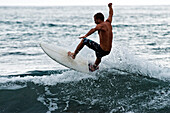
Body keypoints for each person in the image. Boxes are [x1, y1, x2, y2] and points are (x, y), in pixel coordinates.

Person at [68, 3, 113, 72]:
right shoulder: (108, 22)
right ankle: (94, 66)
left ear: (98, 19)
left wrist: (85, 36)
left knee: (84, 41)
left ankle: (73, 55)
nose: (94, 21)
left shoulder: (100, 25)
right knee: (99, 54)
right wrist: (110, 7)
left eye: (95, 19)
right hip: (108, 51)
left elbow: (93, 29)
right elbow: (111, 14)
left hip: (102, 49)